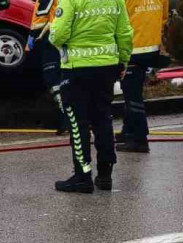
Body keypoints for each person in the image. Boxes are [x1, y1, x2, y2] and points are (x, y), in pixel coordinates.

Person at [49, 0, 133, 193]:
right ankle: (105, 175)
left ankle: (82, 175)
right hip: (106, 67)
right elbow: (124, 33)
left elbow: (58, 34)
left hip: (76, 69)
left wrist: (54, 38)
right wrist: (123, 61)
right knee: (103, 119)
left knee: (78, 123)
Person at [115, 0, 169, 153]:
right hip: (152, 47)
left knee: (132, 95)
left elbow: (116, 17)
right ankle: (128, 130)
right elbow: (164, 17)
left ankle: (139, 139)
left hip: (133, 47)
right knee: (132, 91)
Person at [27, 0, 68, 134]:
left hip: (52, 38)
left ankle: (66, 120)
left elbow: (42, 13)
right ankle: (80, 119)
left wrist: (32, 35)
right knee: (69, 79)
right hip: (70, 36)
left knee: (54, 81)